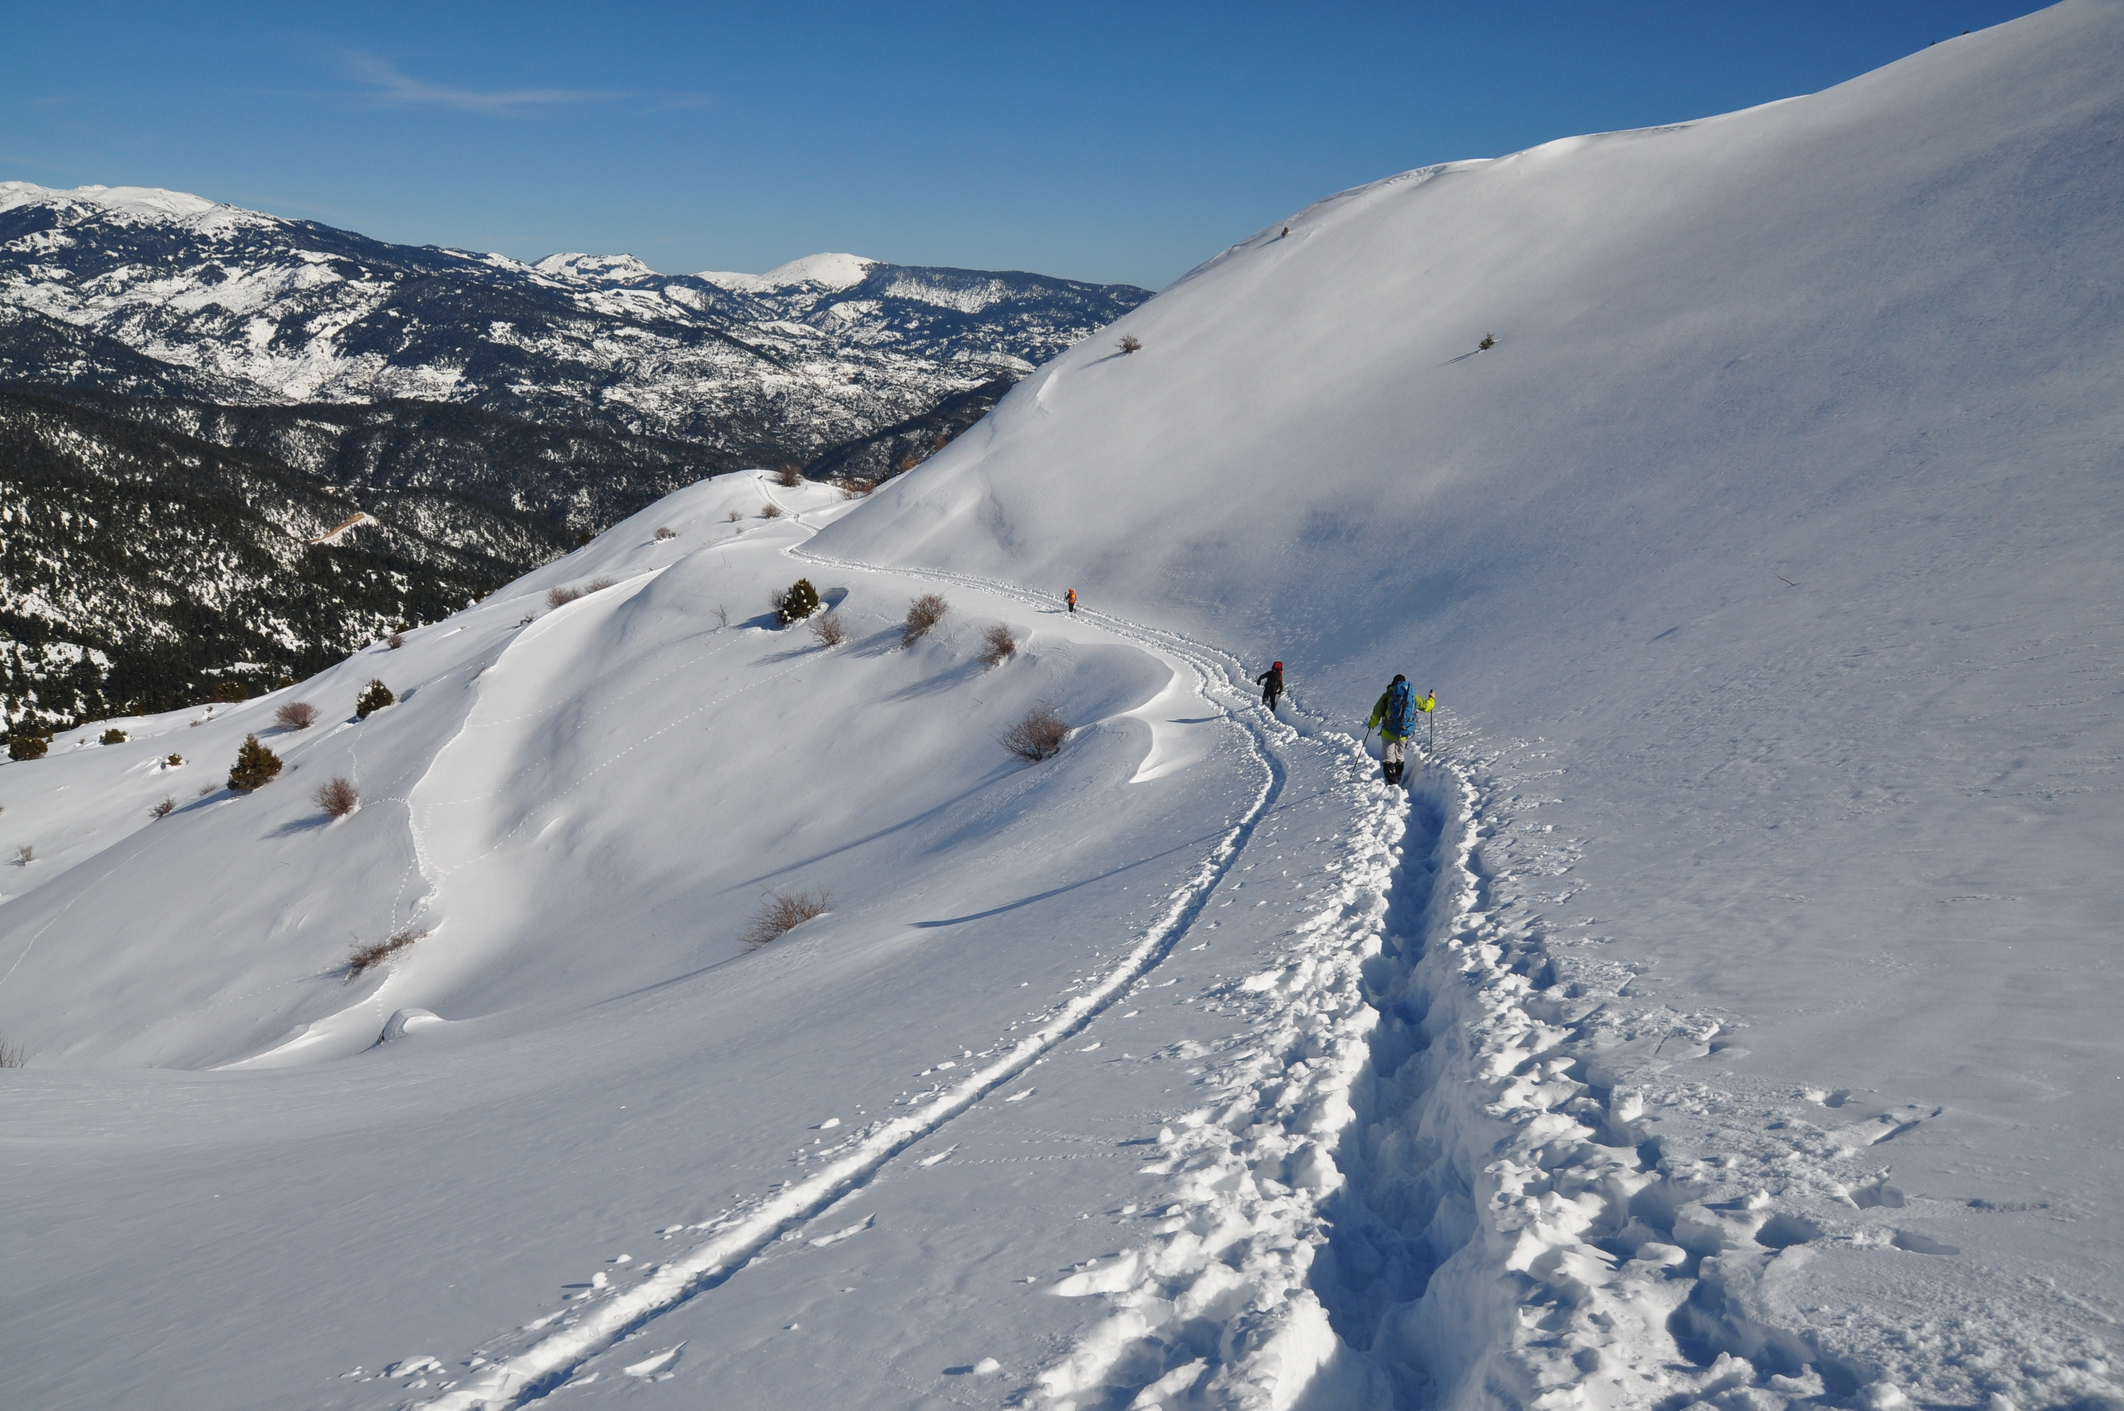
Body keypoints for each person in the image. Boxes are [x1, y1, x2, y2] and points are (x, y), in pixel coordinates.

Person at [1366, 675, 1435, 785]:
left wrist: (1371, 724)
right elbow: (1426, 707)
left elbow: (1376, 713)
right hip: (1404, 732)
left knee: (1388, 758)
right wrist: (1432, 698)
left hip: (1388, 733)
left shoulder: (1386, 696)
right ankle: (1398, 777)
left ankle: (1391, 782)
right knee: (1400, 755)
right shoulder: (1411, 696)